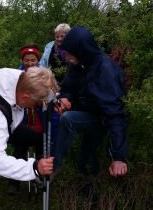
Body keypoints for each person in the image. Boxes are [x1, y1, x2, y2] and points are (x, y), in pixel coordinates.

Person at [0, 67, 57, 210]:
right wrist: (33, 168)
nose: (37, 106)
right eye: (36, 103)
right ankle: (36, 171)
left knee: (37, 138)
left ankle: (38, 173)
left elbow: (44, 88)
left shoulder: (19, 78)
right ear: (26, 97)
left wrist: (55, 99)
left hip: (9, 123)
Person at [52, 26, 128, 178]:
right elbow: (68, 87)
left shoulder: (105, 70)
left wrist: (118, 157)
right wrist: (64, 98)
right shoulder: (78, 63)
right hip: (86, 113)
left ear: (80, 50)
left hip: (102, 119)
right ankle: (86, 188)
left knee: (68, 120)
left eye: (69, 51)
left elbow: (116, 113)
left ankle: (51, 167)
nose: (66, 56)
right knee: (86, 162)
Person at [6, 44, 59, 195]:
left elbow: (52, 109)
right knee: (19, 151)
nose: (30, 63)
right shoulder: (17, 79)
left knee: (42, 151)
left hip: (40, 128)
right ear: (22, 61)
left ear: (38, 60)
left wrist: (52, 133)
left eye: (33, 60)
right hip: (23, 127)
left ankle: (41, 180)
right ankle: (14, 183)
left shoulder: (43, 79)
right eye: (26, 60)